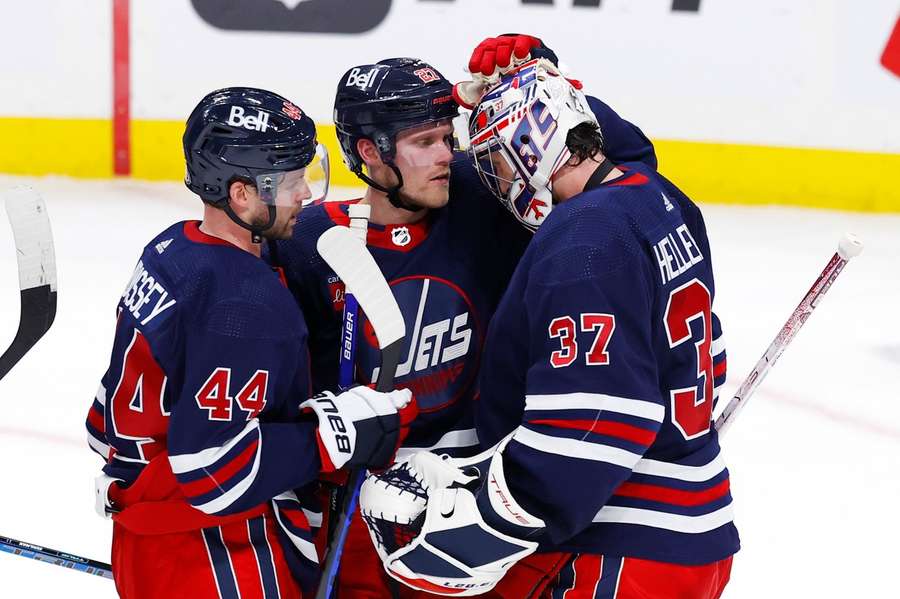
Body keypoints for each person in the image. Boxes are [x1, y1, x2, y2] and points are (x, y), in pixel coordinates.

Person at [273, 43, 659, 597]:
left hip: (478, 499)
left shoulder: (486, 197)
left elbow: (626, 169)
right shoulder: (313, 242)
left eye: (446, 135)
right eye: (423, 142)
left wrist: (546, 88)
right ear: (370, 151)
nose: (444, 154)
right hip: (361, 504)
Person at [361, 59, 737, 598]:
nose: (496, 178)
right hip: (686, 528)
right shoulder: (654, 195)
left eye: (498, 158)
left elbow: (597, 417)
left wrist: (488, 522)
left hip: (620, 541)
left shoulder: (585, 236)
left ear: (536, 142)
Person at [85, 87, 416, 599]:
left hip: (148, 532)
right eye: (289, 182)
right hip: (214, 551)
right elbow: (214, 473)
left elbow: (103, 421)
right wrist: (337, 435)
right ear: (241, 194)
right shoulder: (244, 305)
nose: (305, 195)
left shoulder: (171, 246)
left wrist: (135, 477)